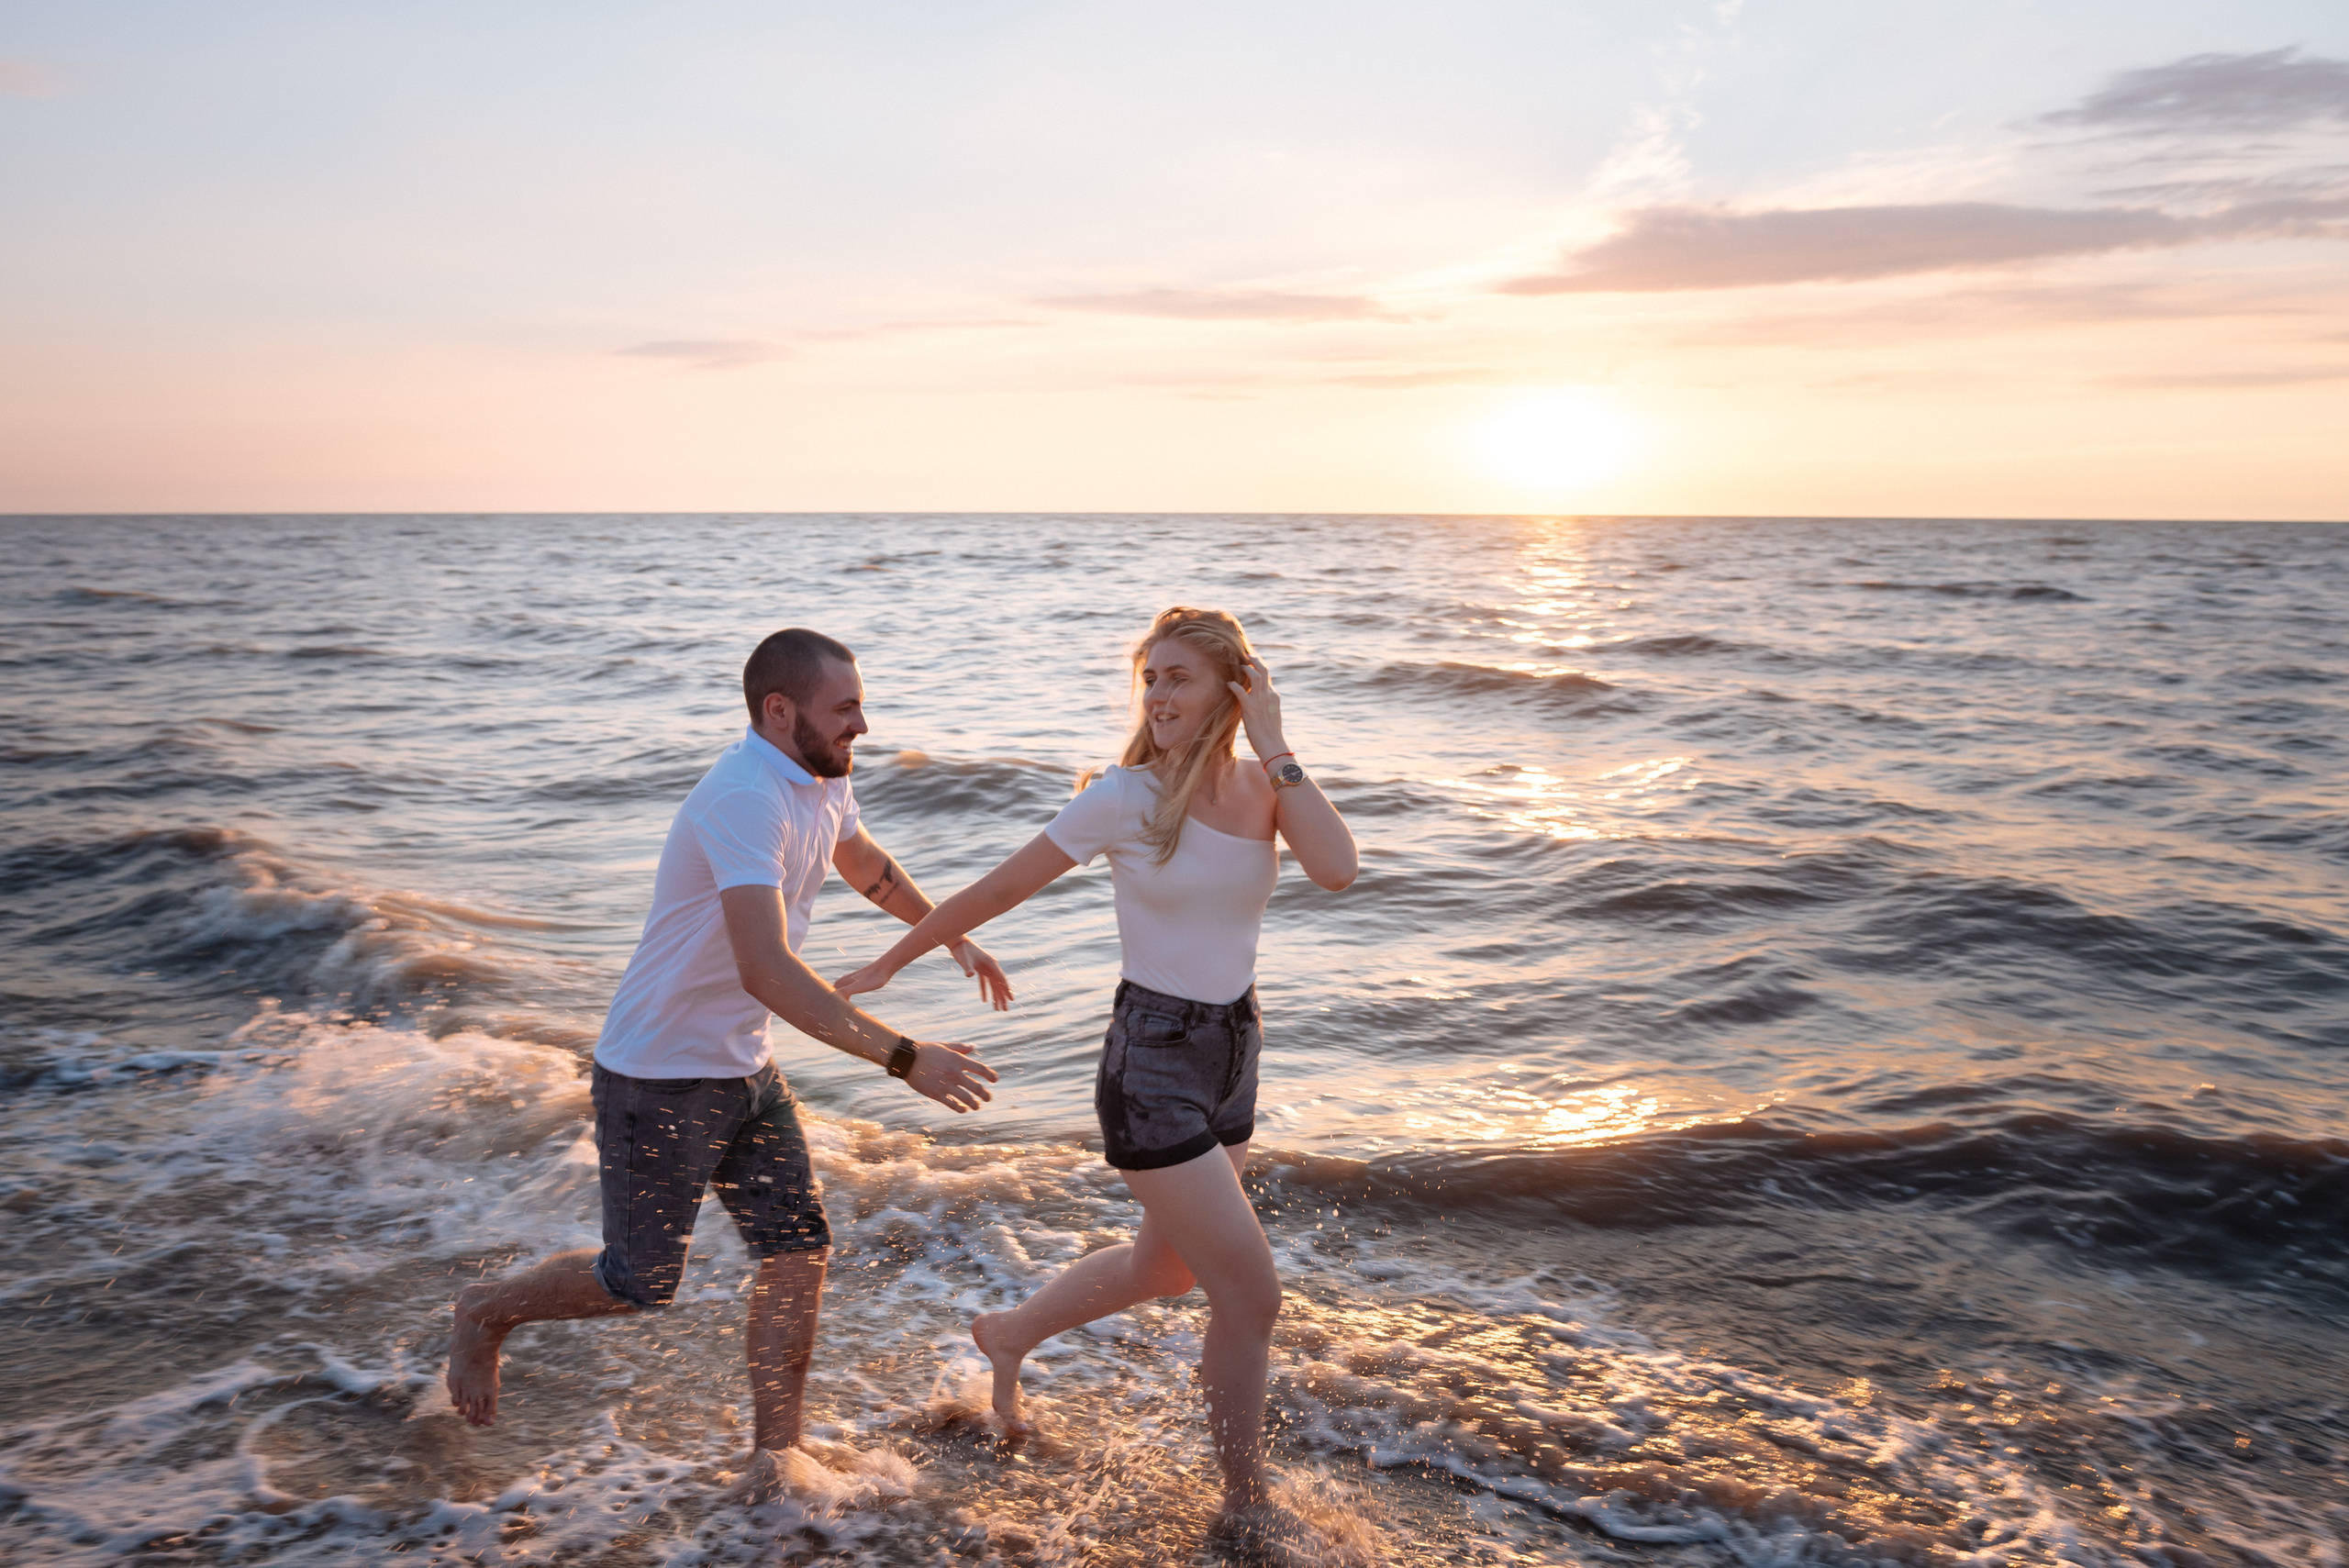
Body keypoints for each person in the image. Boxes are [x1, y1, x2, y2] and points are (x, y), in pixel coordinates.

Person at [833, 606, 1357, 1555]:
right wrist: (893, 961)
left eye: (1178, 677)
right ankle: (1245, 1502)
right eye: (1150, 678)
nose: (1158, 695)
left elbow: (1338, 868)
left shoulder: (1265, 786)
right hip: (1150, 1061)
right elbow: (999, 885)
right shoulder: (1123, 797)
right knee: (1251, 1297)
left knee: (1166, 1271)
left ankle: (1007, 1332)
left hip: (1234, 1051)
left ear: (1234, 688)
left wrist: (1275, 741)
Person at [445, 628, 1008, 1504]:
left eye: (860, 705)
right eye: (845, 708)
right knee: (637, 1284)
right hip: (659, 1072)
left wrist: (949, 936)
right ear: (779, 710)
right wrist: (904, 1056)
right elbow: (766, 968)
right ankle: (486, 1308)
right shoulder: (745, 797)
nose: (862, 724)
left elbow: (863, 861)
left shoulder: (821, 775)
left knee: (798, 1250)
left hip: (746, 1067)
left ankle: (774, 1461)